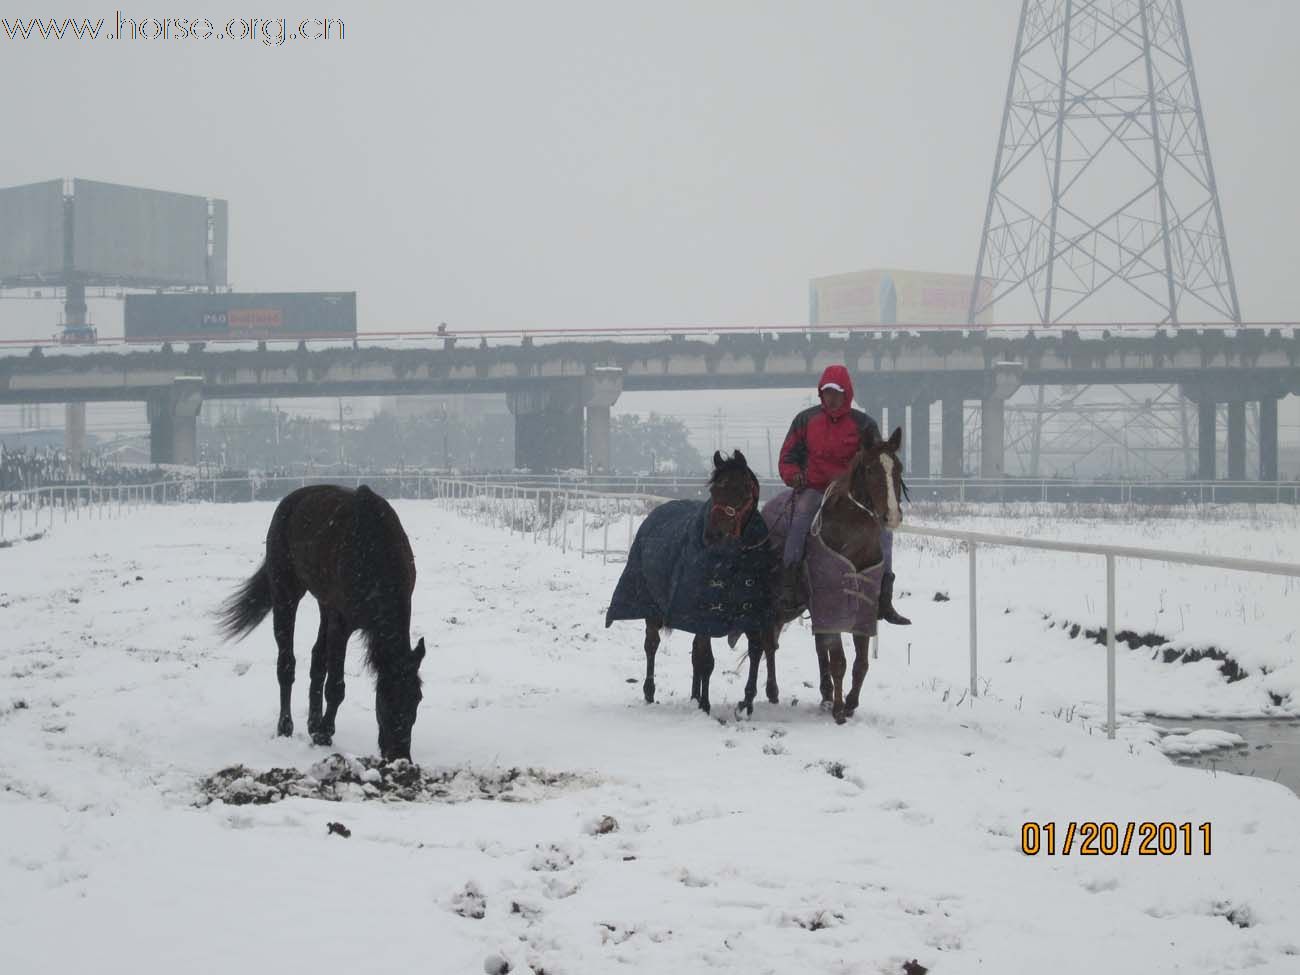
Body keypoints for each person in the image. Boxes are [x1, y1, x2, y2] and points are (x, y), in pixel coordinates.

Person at [777, 364, 911, 625]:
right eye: (827, 392)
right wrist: (793, 475)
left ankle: (884, 598)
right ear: (821, 393)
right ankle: (789, 585)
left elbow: (876, 457)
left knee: (885, 532)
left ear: (847, 392)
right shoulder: (805, 420)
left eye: (837, 392)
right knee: (800, 519)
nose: (831, 397)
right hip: (816, 488)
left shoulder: (863, 424)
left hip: (852, 493)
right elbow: (788, 456)